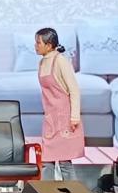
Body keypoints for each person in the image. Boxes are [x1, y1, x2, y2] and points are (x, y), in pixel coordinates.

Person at [34, 28, 84, 181]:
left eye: (38, 43)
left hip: (64, 118)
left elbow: (74, 90)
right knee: (46, 160)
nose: (36, 46)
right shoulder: (42, 62)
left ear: (49, 45)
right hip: (50, 118)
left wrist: (74, 117)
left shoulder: (60, 61)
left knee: (64, 162)